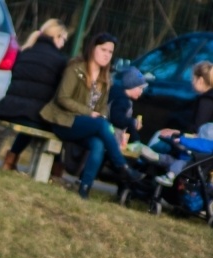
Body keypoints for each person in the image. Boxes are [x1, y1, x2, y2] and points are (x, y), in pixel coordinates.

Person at [40, 32, 141, 199]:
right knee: (101, 126)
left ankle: (84, 189)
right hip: (63, 121)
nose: (107, 55)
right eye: (103, 50)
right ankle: (122, 167)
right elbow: (62, 98)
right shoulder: (75, 69)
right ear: (93, 48)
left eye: (110, 52)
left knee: (98, 143)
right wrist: (90, 113)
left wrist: (99, 115)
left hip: (84, 125)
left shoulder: (105, 78)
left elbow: (101, 108)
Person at [0, 19, 69, 175]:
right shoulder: (59, 60)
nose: (64, 44)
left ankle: (11, 159)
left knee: (31, 117)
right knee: (59, 126)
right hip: (31, 113)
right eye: (64, 40)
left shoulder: (25, 51)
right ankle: (56, 171)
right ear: (57, 36)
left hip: (9, 108)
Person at [155, 61, 213, 141]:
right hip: (212, 144)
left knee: (158, 137)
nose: (192, 82)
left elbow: (197, 131)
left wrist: (177, 132)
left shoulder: (207, 101)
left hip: (201, 145)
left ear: (200, 80)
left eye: (193, 78)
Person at [108, 66, 147, 146]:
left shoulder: (118, 94)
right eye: (140, 88)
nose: (141, 92)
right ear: (131, 85)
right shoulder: (122, 100)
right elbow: (117, 119)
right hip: (111, 137)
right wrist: (133, 122)